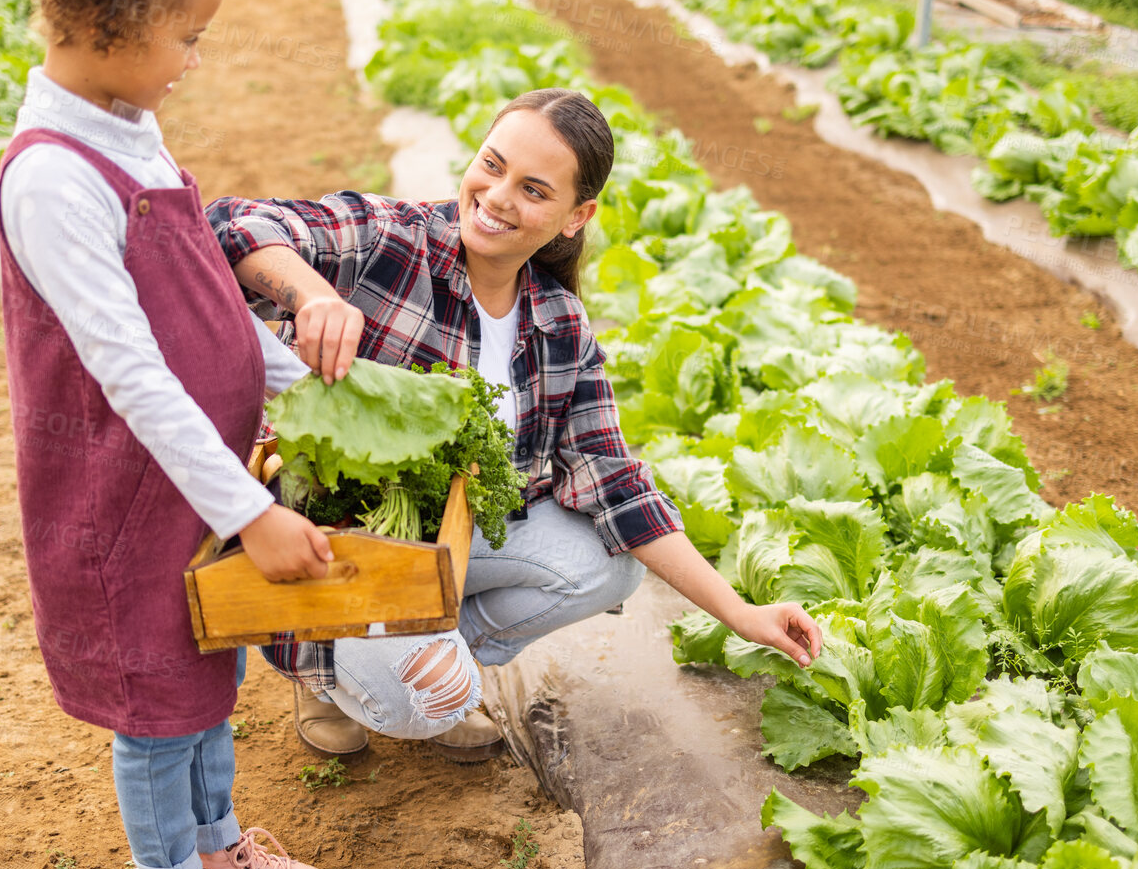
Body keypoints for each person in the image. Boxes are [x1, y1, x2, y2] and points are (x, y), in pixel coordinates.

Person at [207, 88, 824, 763]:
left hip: (441, 545)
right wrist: (314, 295)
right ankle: (329, 672)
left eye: (532, 189)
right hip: (324, 545)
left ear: (574, 216)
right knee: (432, 699)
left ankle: (430, 654)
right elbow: (231, 225)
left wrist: (739, 612)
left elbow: (615, 481)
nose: (497, 197)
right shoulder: (391, 241)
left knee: (608, 567)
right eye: (491, 166)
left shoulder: (557, 321)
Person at [0, 0, 341, 869]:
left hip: (189, 478)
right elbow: (132, 371)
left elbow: (208, 310)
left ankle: (217, 846)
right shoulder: (53, 176)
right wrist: (250, 511)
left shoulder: (129, 130)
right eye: (184, 38)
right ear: (106, 28)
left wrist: (304, 383)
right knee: (154, 697)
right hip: (121, 491)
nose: (194, 60)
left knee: (209, 670)